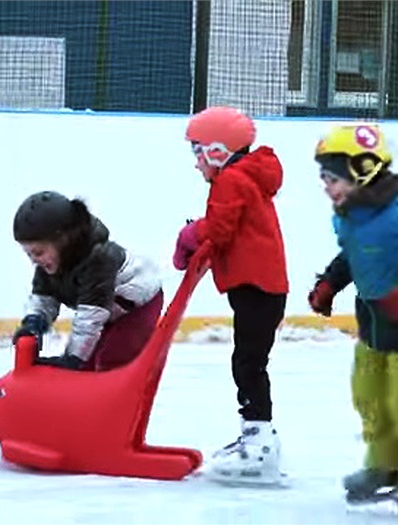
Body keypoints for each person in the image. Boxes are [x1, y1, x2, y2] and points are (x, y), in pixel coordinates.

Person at [307, 123, 398, 518]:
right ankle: (384, 464)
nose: (326, 186)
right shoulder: (350, 218)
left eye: (332, 178)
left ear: (363, 170)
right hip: (374, 325)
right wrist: (329, 284)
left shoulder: (396, 220)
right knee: (369, 397)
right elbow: (353, 256)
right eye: (324, 178)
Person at [172, 106, 289, 484]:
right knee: (249, 362)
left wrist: (190, 236)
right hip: (261, 288)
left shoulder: (232, 181)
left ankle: (259, 445)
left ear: (218, 150)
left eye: (197, 152)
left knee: (248, 364)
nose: (195, 164)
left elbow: (220, 230)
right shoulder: (245, 178)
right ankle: (255, 437)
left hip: (256, 288)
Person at [12, 190, 163, 372]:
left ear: (64, 241)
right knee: (88, 362)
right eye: (29, 254)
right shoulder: (49, 265)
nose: (34, 260)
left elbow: (90, 316)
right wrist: (34, 323)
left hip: (138, 306)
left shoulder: (99, 260)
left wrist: (72, 359)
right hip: (108, 310)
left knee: (112, 357)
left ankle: (112, 393)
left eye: (38, 253)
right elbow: (43, 300)